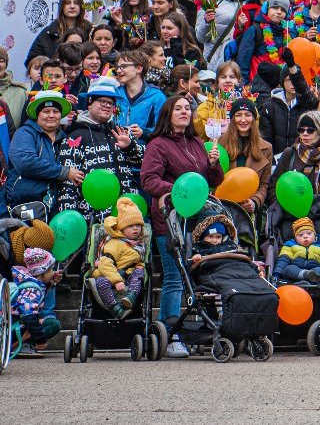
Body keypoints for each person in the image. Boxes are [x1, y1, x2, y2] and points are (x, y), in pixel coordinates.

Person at [139, 94, 222, 357]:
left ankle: (168, 332)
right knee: (174, 277)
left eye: (188, 108)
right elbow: (149, 180)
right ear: (168, 113)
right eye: (178, 108)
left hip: (197, 220)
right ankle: (170, 335)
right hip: (170, 219)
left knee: (190, 277)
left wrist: (213, 164)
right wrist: (179, 190)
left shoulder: (197, 143)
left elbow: (212, 181)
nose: (184, 112)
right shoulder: (158, 145)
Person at [56, 77, 144, 219]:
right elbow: (68, 184)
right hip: (94, 217)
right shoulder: (74, 137)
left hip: (128, 214)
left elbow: (144, 163)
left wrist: (130, 146)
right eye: (102, 101)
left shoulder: (121, 132)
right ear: (89, 104)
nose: (107, 106)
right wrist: (69, 217)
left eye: (110, 103)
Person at [5, 90, 72, 206]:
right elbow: (26, 162)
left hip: (54, 205)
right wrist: (64, 172)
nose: (51, 115)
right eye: (46, 111)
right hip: (23, 204)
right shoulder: (24, 133)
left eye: (56, 111)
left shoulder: (65, 139)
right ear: (37, 115)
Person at [92, 195, 149, 316]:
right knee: (101, 282)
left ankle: (130, 297)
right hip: (110, 274)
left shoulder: (139, 245)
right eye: (130, 226)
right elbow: (105, 263)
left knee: (140, 272)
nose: (135, 228)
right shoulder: (115, 243)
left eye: (138, 225)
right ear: (122, 229)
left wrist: (139, 266)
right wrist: (117, 280)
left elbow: (139, 261)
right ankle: (116, 309)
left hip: (127, 276)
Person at [217, 97, 273, 215]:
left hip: (250, 211)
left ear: (253, 118)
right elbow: (213, 179)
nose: (243, 119)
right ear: (232, 119)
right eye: (238, 115)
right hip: (225, 207)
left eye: (247, 115)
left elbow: (264, 184)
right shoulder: (220, 144)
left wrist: (254, 202)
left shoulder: (266, 148)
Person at [8, 246, 63, 356]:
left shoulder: (28, 281)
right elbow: (28, 316)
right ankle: (15, 346)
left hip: (13, 326)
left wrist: (49, 283)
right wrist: (40, 340)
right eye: (51, 269)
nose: (53, 272)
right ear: (42, 272)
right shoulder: (32, 289)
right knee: (50, 324)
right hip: (13, 330)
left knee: (46, 322)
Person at [274, 217, 320, 287]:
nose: (305, 236)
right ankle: (305, 275)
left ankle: (307, 278)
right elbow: (283, 260)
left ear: (315, 234)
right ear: (295, 238)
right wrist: (276, 274)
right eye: (300, 235)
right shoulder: (290, 245)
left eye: (309, 233)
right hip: (296, 272)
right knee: (288, 269)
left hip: (314, 270)